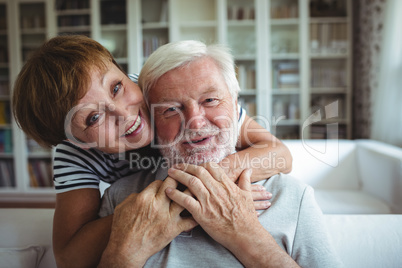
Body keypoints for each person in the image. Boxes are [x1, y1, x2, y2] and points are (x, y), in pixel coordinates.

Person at [12, 35, 292, 267]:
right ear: (73, 140)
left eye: (117, 87)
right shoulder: (74, 155)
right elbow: (71, 257)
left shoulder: (161, 90)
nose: (125, 113)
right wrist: (148, 209)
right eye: (94, 118)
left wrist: (205, 182)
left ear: (123, 73)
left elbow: (280, 153)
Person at [97, 40, 343, 267]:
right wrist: (124, 255)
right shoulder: (120, 199)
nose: (194, 122)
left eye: (210, 100)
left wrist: (246, 235)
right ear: (152, 121)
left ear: (236, 106)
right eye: (171, 108)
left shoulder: (292, 197)